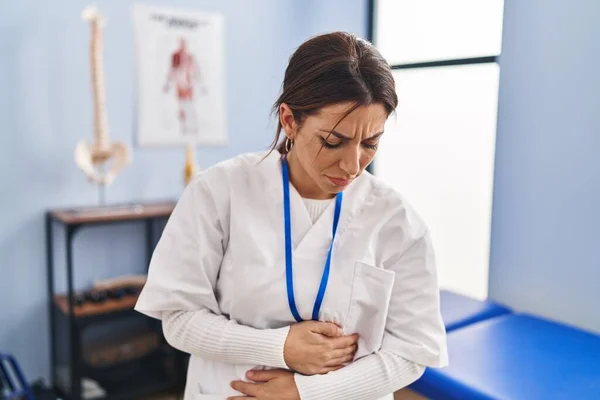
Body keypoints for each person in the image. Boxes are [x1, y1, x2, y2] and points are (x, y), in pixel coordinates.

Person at [135, 31, 448, 400]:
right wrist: (279, 346)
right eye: (333, 141)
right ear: (289, 120)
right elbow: (178, 319)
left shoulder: (397, 222)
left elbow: (411, 352)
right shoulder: (219, 191)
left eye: (370, 144)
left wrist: (306, 392)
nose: (353, 165)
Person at [163, 38, 204, 135]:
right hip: (180, 85)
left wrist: (201, 83)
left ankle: (193, 126)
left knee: (189, 106)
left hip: (188, 86)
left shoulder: (190, 57)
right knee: (181, 107)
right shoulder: (175, 57)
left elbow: (196, 71)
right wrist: (167, 84)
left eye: (184, 44)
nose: (182, 46)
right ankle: (183, 127)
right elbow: (172, 71)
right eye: (181, 43)